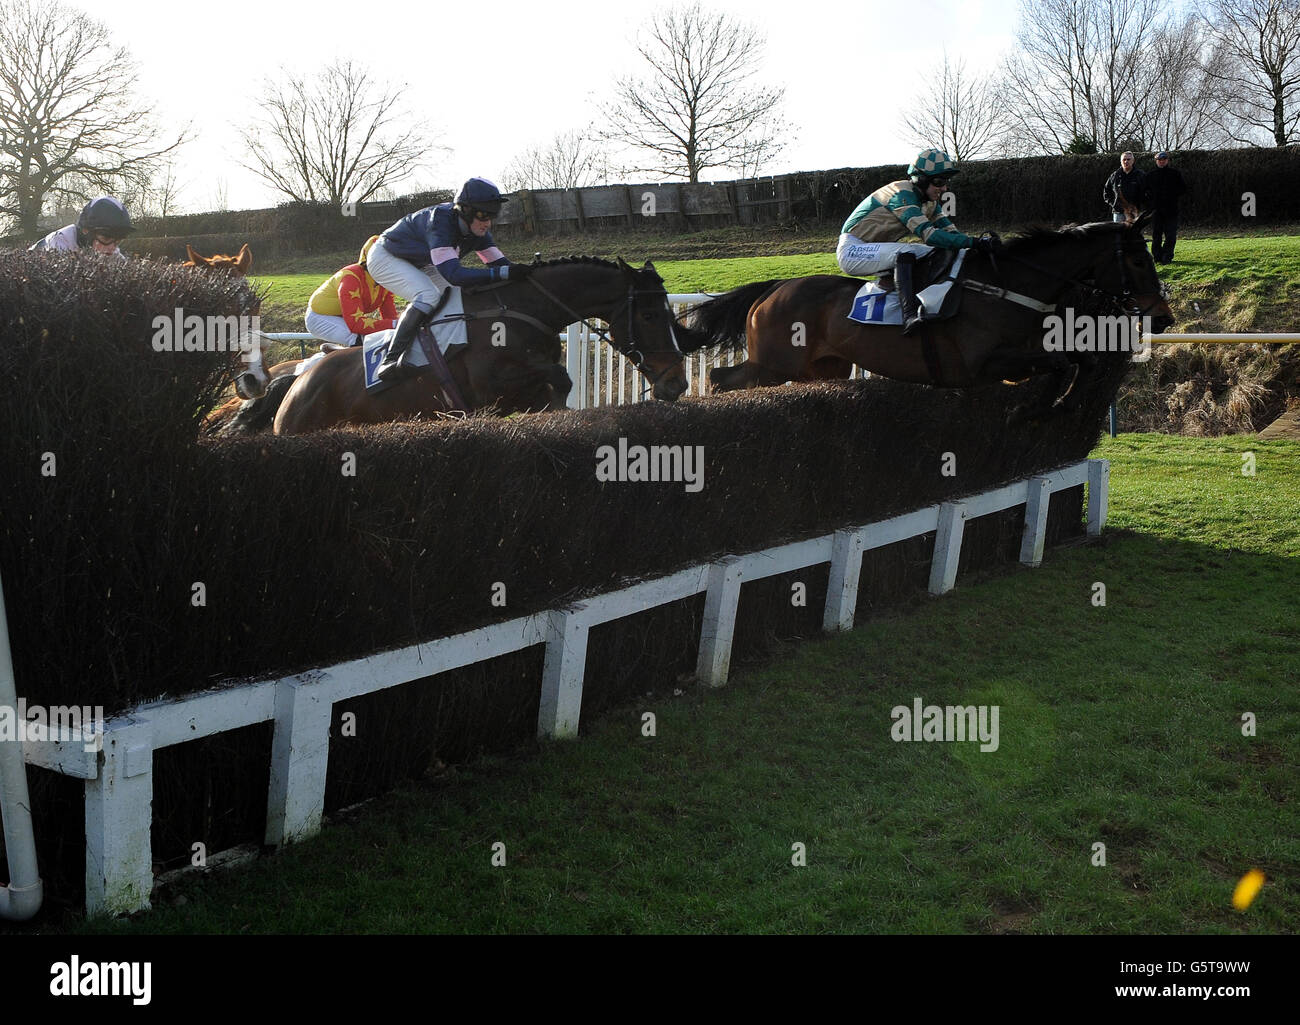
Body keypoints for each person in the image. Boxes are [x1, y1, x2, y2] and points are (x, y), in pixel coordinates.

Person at [368, 176, 529, 382]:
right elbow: (455, 275)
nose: (488, 223)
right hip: (386, 256)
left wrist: (530, 272)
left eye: (492, 215)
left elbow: (501, 266)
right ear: (465, 211)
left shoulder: (478, 231)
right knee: (428, 296)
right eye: (483, 215)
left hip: (421, 261)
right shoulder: (440, 223)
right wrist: (505, 273)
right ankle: (390, 360)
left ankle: (444, 350)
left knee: (455, 299)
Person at [836, 148, 997, 335]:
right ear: (921, 180)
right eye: (939, 182)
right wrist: (974, 242)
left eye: (946, 182)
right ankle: (909, 315)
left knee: (935, 251)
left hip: (872, 248)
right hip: (853, 250)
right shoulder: (901, 194)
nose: (944, 188)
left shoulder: (930, 202)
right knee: (910, 251)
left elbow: (951, 233)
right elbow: (930, 236)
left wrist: (978, 246)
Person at [305, 235, 398, 348]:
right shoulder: (350, 278)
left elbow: (391, 318)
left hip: (343, 317)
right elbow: (356, 324)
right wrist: (395, 324)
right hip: (319, 317)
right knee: (358, 340)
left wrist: (399, 325)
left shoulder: (384, 283)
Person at [29, 197, 133, 258]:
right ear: (85, 231)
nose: (112, 248)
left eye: (118, 241)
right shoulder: (58, 244)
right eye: (106, 238)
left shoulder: (109, 248)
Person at [1144, 151, 1187, 264]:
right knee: (1156, 235)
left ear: (1167, 160)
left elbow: (1183, 189)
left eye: (1164, 159)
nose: (1161, 161)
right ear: (1156, 161)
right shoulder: (1150, 175)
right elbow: (1145, 191)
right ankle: (1157, 257)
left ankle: (1167, 256)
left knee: (1171, 235)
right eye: (1159, 159)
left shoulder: (1175, 174)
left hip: (1171, 210)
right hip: (1156, 211)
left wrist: (1172, 194)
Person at [1103, 152, 1145, 224]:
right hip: (1118, 213)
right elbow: (1106, 192)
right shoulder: (1114, 176)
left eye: (1128, 159)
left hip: (1135, 212)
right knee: (1118, 234)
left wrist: (1141, 206)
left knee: (1134, 234)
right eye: (1124, 159)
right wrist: (1114, 204)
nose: (1126, 161)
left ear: (1133, 161)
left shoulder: (1140, 175)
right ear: (1121, 161)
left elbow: (1147, 192)